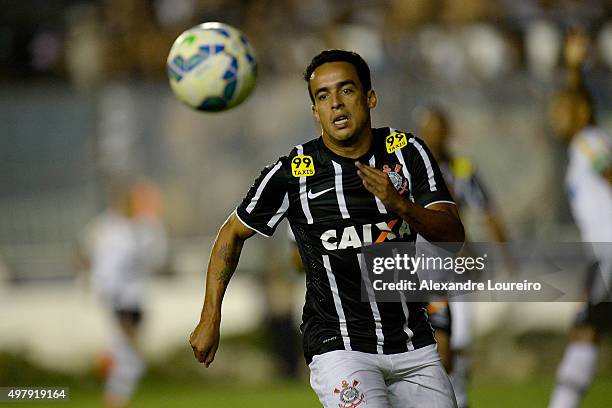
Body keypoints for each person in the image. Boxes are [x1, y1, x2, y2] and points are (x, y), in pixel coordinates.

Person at [189, 49, 465, 407]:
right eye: (323, 96)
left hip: (413, 344)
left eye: (346, 90)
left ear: (370, 97)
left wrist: (401, 206)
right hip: (340, 347)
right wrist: (211, 315)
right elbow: (232, 232)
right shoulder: (293, 172)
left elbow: (452, 236)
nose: (335, 103)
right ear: (314, 111)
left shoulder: (406, 153)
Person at [416, 106, 510, 408]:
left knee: (460, 342)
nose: (433, 136)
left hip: (456, 268)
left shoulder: (462, 170)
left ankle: (460, 399)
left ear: (447, 132)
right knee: (433, 347)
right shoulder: (408, 168)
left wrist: (505, 254)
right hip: (419, 270)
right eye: (428, 130)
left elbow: (488, 211)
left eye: (438, 129)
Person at [547, 84, 612, 408]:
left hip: (608, 251)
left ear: (581, 113)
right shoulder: (582, 145)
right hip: (601, 253)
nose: (554, 117)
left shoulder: (589, 142)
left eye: (561, 111)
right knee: (586, 331)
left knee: (585, 332)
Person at [78, 180, 168, 408]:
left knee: (129, 353)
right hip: (118, 298)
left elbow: (156, 259)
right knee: (131, 357)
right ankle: (116, 397)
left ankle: (109, 357)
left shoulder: (146, 227)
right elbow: (85, 256)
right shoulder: (105, 227)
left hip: (134, 297)